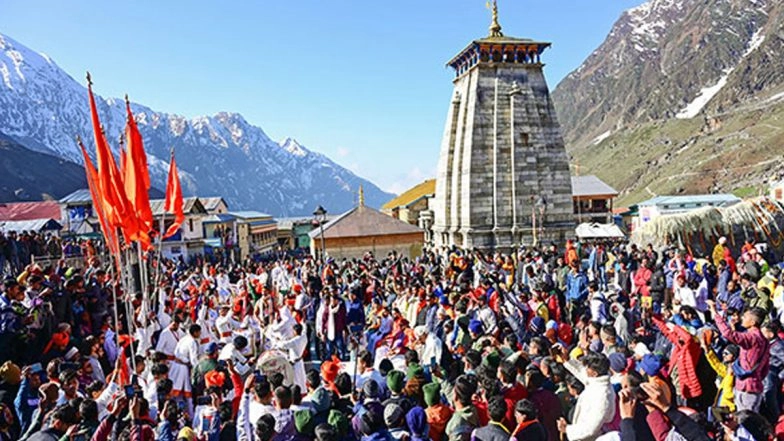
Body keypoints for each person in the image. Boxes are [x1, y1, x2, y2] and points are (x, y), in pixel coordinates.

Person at [709, 301, 769, 412]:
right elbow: (765, 368)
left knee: (745, 420)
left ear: (753, 322)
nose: (742, 318)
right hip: (755, 385)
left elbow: (728, 334)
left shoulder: (752, 337)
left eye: (745, 317)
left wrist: (715, 313)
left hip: (746, 388)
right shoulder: (764, 340)